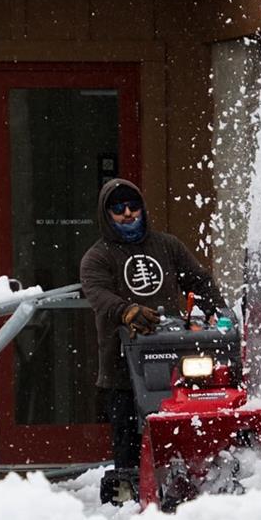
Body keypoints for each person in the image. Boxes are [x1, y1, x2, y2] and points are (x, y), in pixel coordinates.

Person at [80, 178, 226, 494]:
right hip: (123, 363)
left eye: (133, 206)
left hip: (174, 356)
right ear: (107, 215)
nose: (128, 214)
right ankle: (130, 494)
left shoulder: (167, 245)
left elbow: (198, 281)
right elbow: (98, 294)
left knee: (180, 423)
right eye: (118, 209)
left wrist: (219, 311)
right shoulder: (98, 256)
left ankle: (186, 482)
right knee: (127, 434)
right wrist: (127, 311)